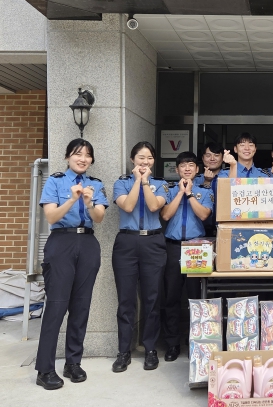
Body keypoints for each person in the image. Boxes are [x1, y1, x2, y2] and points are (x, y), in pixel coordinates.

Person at [35, 139, 108, 390]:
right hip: (61, 242)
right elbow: (51, 216)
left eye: (87, 155)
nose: (82, 158)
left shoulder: (95, 184)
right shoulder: (55, 181)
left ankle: (73, 363)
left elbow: (99, 217)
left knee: (81, 306)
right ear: (68, 157)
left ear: (91, 160)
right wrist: (71, 199)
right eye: (78, 154)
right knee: (56, 306)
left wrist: (88, 202)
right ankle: (44, 369)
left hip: (87, 243)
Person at [111, 141, 170, 373]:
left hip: (153, 242)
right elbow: (127, 206)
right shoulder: (121, 183)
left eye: (149, 158)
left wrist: (145, 182)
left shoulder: (161, 184)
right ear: (132, 160)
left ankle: (150, 349)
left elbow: (155, 207)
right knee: (126, 300)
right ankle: (123, 351)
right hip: (127, 242)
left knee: (152, 299)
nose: (145, 162)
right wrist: (137, 181)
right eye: (141, 158)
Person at [160, 152, 213, 362]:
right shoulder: (169, 190)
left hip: (196, 247)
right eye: (183, 165)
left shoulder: (204, 191)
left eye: (191, 165)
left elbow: (204, 215)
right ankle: (172, 344)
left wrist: (190, 194)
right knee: (171, 297)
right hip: (173, 247)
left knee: (196, 297)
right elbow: (165, 215)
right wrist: (181, 193)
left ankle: (195, 342)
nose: (187, 168)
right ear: (177, 170)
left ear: (197, 169)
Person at [194, 143, 236, 237]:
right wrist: (206, 182)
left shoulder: (230, 175)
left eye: (216, 155)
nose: (212, 159)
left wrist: (233, 164)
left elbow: (234, 194)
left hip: (226, 227)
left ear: (223, 158)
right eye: (208, 155)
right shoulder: (196, 179)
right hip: (199, 230)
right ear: (202, 158)